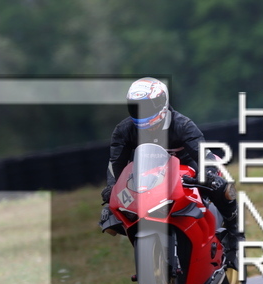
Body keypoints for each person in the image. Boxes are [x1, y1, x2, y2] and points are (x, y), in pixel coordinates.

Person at [98, 77, 243, 268]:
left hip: (187, 169)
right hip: (149, 174)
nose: (141, 112)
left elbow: (203, 153)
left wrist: (208, 175)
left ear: (161, 103)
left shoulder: (182, 124)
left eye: (146, 107)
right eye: (135, 107)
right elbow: (115, 164)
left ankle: (235, 239)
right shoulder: (124, 130)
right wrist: (112, 187)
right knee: (110, 212)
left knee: (222, 188)